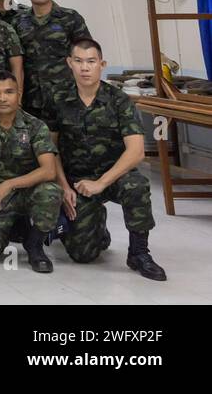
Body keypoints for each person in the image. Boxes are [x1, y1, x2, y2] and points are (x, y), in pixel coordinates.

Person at [51, 39, 165, 280]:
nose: (85, 68)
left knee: (137, 185)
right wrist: (63, 187)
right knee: (83, 255)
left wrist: (102, 183)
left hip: (113, 176)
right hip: (77, 182)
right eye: (79, 61)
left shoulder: (118, 99)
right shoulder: (58, 99)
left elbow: (136, 151)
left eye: (91, 62)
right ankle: (96, 227)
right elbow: (51, 150)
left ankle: (139, 252)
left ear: (101, 64)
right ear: (69, 63)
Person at [0, 71, 60, 273]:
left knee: (50, 190)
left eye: (9, 92)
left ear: (19, 93)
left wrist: (9, 183)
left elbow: (49, 170)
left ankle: (35, 244)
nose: (2, 98)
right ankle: (11, 226)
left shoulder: (34, 126)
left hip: (27, 192)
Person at [14, 0, 92, 121]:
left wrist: (87, 91)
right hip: (31, 100)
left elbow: (86, 55)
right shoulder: (18, 21)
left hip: (66, 97)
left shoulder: (70, 18)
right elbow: (16, 61)